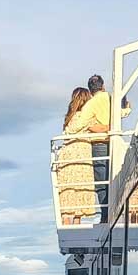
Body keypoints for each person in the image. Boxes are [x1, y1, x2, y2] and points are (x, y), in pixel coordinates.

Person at [67, 75, 131, 222]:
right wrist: (126, 110)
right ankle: (116, 212)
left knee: (102, 183)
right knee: (116, 178)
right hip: (114, 143)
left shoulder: (91, 104)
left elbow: (75, 127)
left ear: (90, 89)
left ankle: (106, 216)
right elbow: (123, 113)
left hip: (99, 144)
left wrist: (90, 127)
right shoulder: (111, 99)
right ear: (103, 86)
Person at [57, 87, 97, 225]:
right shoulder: (86, 118)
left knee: (69, 195)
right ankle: (76, 225)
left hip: (68, 156)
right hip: (82, 155)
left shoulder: (70, 117)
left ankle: (67, 226)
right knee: (80, 192)